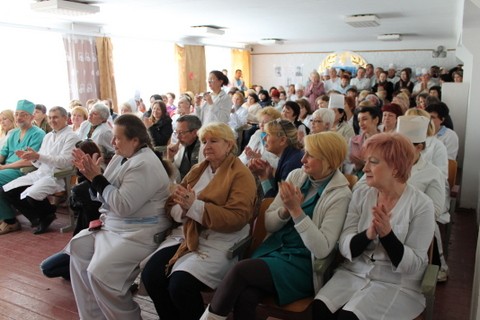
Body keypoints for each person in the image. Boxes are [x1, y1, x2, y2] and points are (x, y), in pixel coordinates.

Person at [201, 132, 352, 320]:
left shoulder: (340, 194)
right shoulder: (297, 176)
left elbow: (322, 250)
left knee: (241, 270)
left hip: (303, 265)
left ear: (329, 160)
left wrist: (296, 211)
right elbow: (270, 225)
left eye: (310, 155)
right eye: (305, 152)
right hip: (274, 251)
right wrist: (285, 211)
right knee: (246, 296)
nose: (303, 159)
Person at [141, 122, 257, 320]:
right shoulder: (197, 169)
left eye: (214, 141)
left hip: (220, 240)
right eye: (204, 141)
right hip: (187, 234)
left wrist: (194, 207)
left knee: (180, 285)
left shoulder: (241, 174)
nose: (207, 146)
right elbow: (172, 204)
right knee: (151, 276)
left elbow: (237, 217)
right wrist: (185, 209)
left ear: (229, 145)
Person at [314, 133, 435, 320]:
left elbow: (415, 264)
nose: (366, 168)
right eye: (366, 161)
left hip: (397, 284)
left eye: (374, 162)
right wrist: (369, 234)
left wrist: (387, 235)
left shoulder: (421, 205)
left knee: (349, 318)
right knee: (319, 308)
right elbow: (346, 241)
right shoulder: (362, 194)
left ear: (395, 168)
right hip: (355, 271)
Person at [67, 114, 173, 319]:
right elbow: (105, 192)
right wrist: (92, 177)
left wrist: (96, 177)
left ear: (135, 140)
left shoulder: (145, 164)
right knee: (78, 247)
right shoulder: (121, 157)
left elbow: (123, 205)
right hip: (117, 226)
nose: (112, 142)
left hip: (141, 232)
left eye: (117, 138)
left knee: (100, 272)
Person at [3, 106, 80, 234]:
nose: (52, 120)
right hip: (40, 173)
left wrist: (38, 156)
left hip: (58, 176)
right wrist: (31, 157)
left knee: (32, 194)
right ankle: (41, 216)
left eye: (55, 117)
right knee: (8, 190)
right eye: (50, 118)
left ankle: (45, 215)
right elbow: (40, 163)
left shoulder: (72, 136)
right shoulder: (48, 136)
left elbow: (64, 162)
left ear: (65, 118)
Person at [40, 140, 103, 280]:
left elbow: (74, 206)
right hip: (90, 238)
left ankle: (83, 269)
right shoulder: (103, 177)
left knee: (47, 268)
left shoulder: (82, 188)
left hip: (90, 240)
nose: (72, 160)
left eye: (76, 156)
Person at [0, 100, 46, 235]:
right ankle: (6, 217)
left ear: (32, 117)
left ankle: (10, 221)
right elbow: (3, 154)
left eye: (24, 114)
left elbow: (30, 160)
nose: (19, 117)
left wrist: (4, 167)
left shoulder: (38, 134)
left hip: (21, 171)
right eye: (17, 114)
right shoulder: (13, 133)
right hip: (6, 169)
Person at [248, 119, 303, 198]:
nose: (264, 138)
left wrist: (263, 177)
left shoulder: (291, 164)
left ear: (282, 140)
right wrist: (270, 176)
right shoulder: (290, 155)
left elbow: (276, 202)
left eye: (268, 135)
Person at [346, 106, 381, 177]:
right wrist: (356, 166)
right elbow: (346, 165)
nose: (361, 124)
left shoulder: (386, 142)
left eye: (364, 119)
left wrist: (365, 163)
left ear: (376, 120)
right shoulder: (353, 141)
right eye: (359, 120)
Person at [166, 115, 203, 181]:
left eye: (181, 133)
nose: (177, 137)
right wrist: (170, 158)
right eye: (176, 132)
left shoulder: (204, 149)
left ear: (195, 133)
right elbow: (176, 177)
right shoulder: (181, 147)